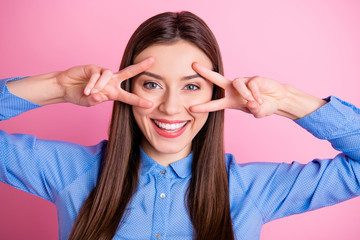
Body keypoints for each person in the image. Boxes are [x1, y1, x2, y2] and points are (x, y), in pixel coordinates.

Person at [0, 11, 359, 240]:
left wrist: (288, 102)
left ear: (216, 93)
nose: (171, 107)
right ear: (128, 89)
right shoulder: (71, 173)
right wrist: (56, 87)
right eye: (152, 84)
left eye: (191, 86)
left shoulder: (252, 189)